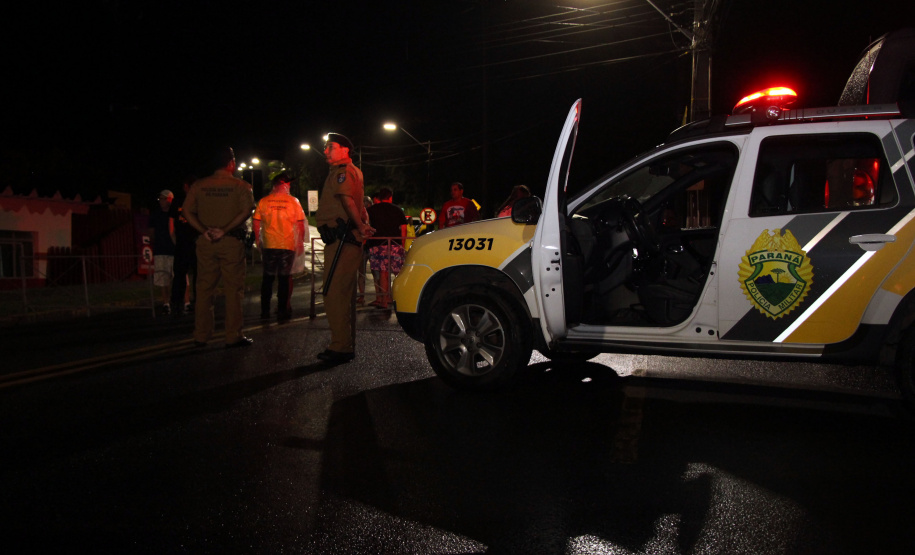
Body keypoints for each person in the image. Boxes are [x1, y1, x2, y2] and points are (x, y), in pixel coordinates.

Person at [182, 147, 256, 348]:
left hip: (206, 242)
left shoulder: (199, 186)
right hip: (231, 242)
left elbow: (187, 211)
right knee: (233, 290)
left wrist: (204, 230)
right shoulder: (241, 186)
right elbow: (247, 210)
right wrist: (224, 230)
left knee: (204, 289)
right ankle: (233, 335)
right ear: (231, 163)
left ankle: (201, 335)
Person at [315, 133, 375, 363]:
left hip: (341, 240)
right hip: (344, 239)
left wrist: (360, 225)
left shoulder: (343, 172)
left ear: (345, 150)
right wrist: (364, 224)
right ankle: (344, 344)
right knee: (343, 293)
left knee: (334, 292)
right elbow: (359, 203)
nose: (325, 150)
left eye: (331, 146)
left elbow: (348, 201)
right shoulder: (348, 171)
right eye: (326, 146)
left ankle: (340, 346)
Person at [252, 171, 307, 323]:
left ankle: (265, 311)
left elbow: (256, 221)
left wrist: (258, 239)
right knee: (283, 279)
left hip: (269, 245)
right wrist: (300, 242)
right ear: (283, 184)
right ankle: (282, 311)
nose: (289, 185)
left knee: (268, 278)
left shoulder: (264, 201)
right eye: (288, 183)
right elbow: (300, 223)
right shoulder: (293, 202)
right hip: (287, 245)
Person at [365, 187, 407, 309]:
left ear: (379, 198)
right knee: (398, 272)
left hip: (377, 245)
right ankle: (402, 298)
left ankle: (384, 300)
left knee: (383, 272)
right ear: (390, 197)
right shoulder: (397, 210)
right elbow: (403, 229)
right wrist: (402, 245)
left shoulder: (372, 210)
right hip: (394, 244)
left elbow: (367, 226)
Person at [170, 176, 199, 316]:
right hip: (182, 244)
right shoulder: (178, 202)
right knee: (180, 275)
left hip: (196, 243)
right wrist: (175, 240)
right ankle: (176, 304)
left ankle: (199, 303)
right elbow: (171, 224)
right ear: (186, 187)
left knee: (198, 275)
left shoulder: (199, 201)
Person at [148, 189, 176, 314]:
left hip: (174, 250)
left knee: (177, 277)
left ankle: (178, 301)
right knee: (163, 278)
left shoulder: (175, 213)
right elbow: (151, 232)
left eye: (163, 199)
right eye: (160, 199)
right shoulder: (155, 214)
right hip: (160, 249)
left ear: (169, 200)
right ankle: (166, 302)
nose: (161, 201)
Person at [356, 195, 373, 305]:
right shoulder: (364, 214)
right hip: (367, 245)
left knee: (362, 273)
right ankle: (383, 295)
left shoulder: (360, 214)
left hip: (365, 246)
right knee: (374, 272)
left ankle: (362, 296)